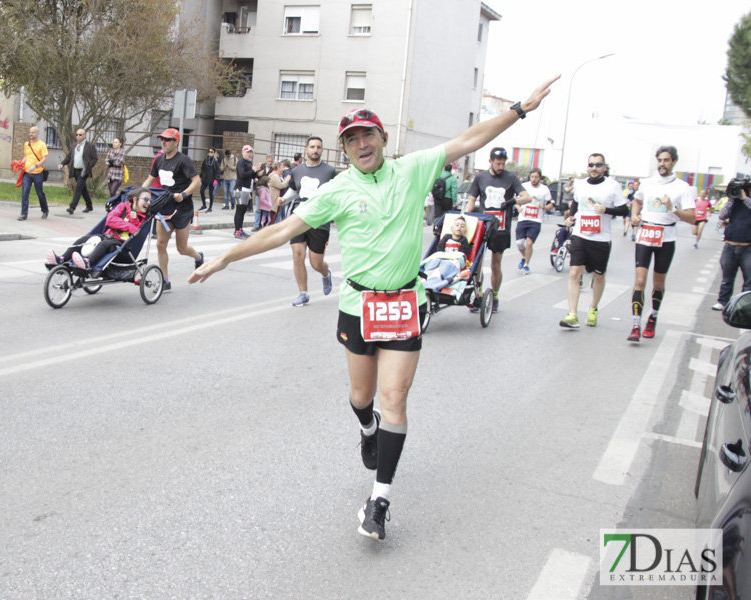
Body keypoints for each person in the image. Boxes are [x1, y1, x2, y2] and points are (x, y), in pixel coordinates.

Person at [189, 76, 558, 542]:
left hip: (405, 302)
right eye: (351, 139)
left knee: (395, 399)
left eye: (368, 134)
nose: (361, 144)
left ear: (383, 138)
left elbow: (469, 139)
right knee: (363, 399)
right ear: (344, 149)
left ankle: (379, 499)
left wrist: (520, 110)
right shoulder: (337, 190)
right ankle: (367, 429)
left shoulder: (413, 170)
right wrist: (224, 257)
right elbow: (281, 232)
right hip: (358, 306)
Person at [628, 145, 696, 342]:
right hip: (646, 233)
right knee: (640, 281)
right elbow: (637, 201)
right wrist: (634, 216)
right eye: (659, 160)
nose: (662, 164)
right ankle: (635, 325)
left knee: (658, 282)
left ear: (674, 162)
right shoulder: (647, 183)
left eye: (666, 160)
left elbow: (692, 218)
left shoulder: (682, 187)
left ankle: (653, 318)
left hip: (666, 237)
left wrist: (672, 208)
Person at [557, 154, 627, 329]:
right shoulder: (580, 184)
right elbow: (575, 204)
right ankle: (572, 314)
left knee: (599, 275)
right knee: (574, 273)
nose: (594, 168)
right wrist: (570, 218)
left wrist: (606, 209)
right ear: (587, 167)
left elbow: (624, 209)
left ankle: (593, 308)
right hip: (580, 234)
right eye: (591, 164)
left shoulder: (613, 186)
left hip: (601, 238)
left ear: (604, 167)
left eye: (598, 165)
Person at [463, 147, 532, 312]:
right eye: (498, 163)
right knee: (476, 263)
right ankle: (478, 295)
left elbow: (527, 197)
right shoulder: (480, 177)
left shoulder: (511, 178)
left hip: (501, 227)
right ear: (490, 161)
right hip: (483, 224)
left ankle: (494, 295)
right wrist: (464, 216)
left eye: (503, 163)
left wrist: (511, 202)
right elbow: (472, 200)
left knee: (495, 264)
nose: (501, 166)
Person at [141, 127, 202, 292]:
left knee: (182, 249)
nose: (163, 142)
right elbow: (150, 179)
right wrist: (138, 193)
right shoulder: (159, 160)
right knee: (161, 244)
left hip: (182, 209)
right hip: (165, 208)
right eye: (162, 139)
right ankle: (165, 281)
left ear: (176, 142)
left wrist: (184, 193)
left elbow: (197, 181)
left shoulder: (183, 160)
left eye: (167, 139)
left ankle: (198, 256)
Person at [46, 187, 152, 272]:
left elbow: (137, 231)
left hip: (122, 244)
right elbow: (110, 220)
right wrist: (129, 226)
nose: (148, 203)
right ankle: (61, 259)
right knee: (84, 240)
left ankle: (88, 262)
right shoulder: (122, 206)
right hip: (108, 235)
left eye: (150, 201)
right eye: (145, 200)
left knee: (104, 244)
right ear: (135, 199)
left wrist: (133, 220)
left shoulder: (142, 218)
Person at [286, 136, 337, 307]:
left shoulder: (330, 172)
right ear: (306, 149)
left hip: (320, 220)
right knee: (297, 256)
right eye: (312, 147)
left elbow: (336, 194)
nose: (315, 150)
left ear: (322, 150)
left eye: (319, 147)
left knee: (316, 263)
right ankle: (303, 293)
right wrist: (282, 200)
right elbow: (294, 189)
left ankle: (325, 273)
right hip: (299, 216)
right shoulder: (297, 171)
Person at [714, 178, 751, 311]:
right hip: (730, 246)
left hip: (748, 248)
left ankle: (744, 306)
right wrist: (732, 199)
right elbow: (722, 216)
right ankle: (723, 301)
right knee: (727, 278)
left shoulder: (748, 202)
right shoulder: (734, 202)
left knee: (749, 281)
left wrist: (745, 198)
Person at [515, 168, 555, 275]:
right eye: (532, 177)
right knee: (519, 243)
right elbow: (515, 200)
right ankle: (524, 257)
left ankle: (526, 264)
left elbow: (551, 205)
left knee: (529, 243)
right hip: (523, 218)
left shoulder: (544, 189)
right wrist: (518, 207)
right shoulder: (524, 186)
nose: (534, 179)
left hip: (536, 220)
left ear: (540, 178)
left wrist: (542, 206)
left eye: (536, 177)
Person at [60, 128, 98, 214]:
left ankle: (72, 207)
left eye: (80, 135)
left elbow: (95, 158)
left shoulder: (90, 146)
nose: (78, 136)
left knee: (78, 188)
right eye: (77, 135)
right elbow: (69, 157)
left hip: (84, 170)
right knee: (83, 188)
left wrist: (88, 167)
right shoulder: (74, 146)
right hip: (75, 170)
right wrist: (62, 164)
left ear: (84, 135)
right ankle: (89, 205)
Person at [20, 125, 49, 221]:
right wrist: (20, 163)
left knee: (39, 193)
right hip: (27, 173)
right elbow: (26, 156)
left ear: (37, 133)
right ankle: (23, 214)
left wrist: (35, 166)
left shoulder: (42, 145)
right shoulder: (26, 144)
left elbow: (44, 159)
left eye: (32, 132)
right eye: (30, 132)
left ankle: (45, 210)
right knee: (25, 193)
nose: (30, 134)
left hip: (38, 172)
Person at [233, 145, 259, 239]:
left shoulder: (249, 162)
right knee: (239, 210)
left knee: (243, 210)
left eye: (251, 152)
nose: (249, 154)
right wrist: (253, 170)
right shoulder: (241, 162)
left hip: (247, 189)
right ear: (243, 152)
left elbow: (251, 176)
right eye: (248, 152)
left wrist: (256, 172)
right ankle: (237, 231)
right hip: (240, 189)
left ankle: (239, 228)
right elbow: (242, 175)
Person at [199, 147, 221, 212]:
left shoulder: (215, 162)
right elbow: (202, 169)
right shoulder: (205, 160)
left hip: (212, 179)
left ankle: (210, 207)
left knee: (210, 194)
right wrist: (201, 176)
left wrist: (216, 179)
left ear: (214, 153)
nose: (210, 153)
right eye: (209, 151)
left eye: (211, 152)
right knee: (201, 191)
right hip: (205, 179)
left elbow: (217, 171)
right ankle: (204, 205)